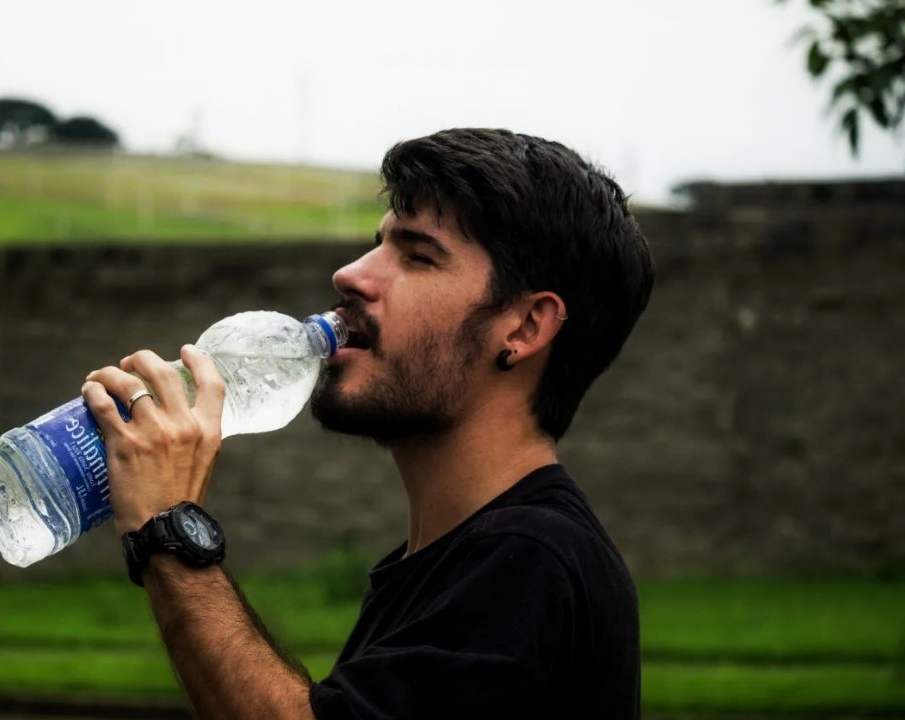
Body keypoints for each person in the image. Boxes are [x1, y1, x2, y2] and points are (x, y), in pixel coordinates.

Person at [82, 128, 655, 719]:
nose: (350, 274)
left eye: (418, 255)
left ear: (525, 327)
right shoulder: (453, 560)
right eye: (376, 244)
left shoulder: (531, 559)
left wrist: (168, 533)